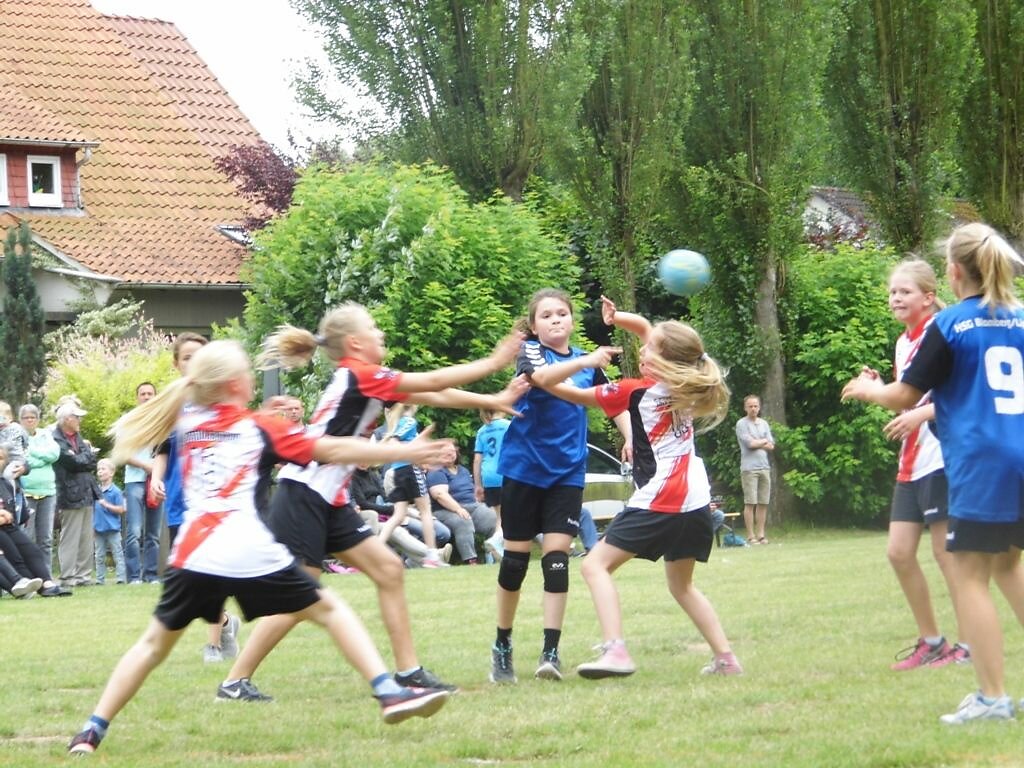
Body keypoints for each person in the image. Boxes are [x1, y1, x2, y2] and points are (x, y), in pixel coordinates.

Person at [66, 340, 454, 755]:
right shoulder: (259, 427)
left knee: (152, 646)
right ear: (236, 384)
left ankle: (91, 730)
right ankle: (388, 691)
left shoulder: (187, 419)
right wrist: (403, 450)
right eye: (249, 372)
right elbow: (334, 449)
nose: (253, 377)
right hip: (247, 550)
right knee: (330, 610)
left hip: (192, 554)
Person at [216, 302, 524, 701]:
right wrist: (493, 362)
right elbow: (433, 380)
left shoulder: (363, 378)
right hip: (303, 494)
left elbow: (434, 392)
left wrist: (492, 398)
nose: (381, 334)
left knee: (389, 569)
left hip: (328, 498)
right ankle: (234, 682)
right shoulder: (360, 375)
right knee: (302, 595)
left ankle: (409, 672)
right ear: (356, 343)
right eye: (374, 328)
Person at [841, 222, 1024, 724]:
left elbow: (903, 396)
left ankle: (992, 698)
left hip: (980, 464)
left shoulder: (951, 325)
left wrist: (865, 389)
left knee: (968, 576)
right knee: (1009, 567)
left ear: (953, 271)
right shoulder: (1022, 318)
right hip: (1021, 456)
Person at [536, 295, 741, 679]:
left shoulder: (633, 391)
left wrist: (578, 363)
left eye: (647, 348)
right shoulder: (684, 382)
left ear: (660, 359)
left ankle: (615, 650)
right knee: (682, 587)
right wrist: (621, 319)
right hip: (696, 499)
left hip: (663, 495)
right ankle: (726, 660)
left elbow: (553, 385)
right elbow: (652, 332)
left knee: (595, 566)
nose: (641, 348)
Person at [490, 288, 631, 684]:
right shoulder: (534, 353)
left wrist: (630, 436)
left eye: (562, 314)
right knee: (515, 564)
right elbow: (543, 379)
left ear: (571, 319)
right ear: (534, 325)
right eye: (546, 315)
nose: (555, 320)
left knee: (556, 560)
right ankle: (502, 644)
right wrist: (587, 359)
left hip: (567, 473)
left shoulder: (590, 363)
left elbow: (613, 400)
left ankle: (550, 652)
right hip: (523, 469)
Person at [870, 259, 968, 670]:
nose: (896, 298)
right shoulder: (902, 341)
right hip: (912, 461)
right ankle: (932, 641)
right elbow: (905, 394)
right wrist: (877, 388)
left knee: (948, 556)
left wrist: (920, 415)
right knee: (898, 552)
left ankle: (969, 645)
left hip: (941, 457)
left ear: (929, 297)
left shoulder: (941, 334)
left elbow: (962, 395)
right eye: (893, 292)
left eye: (905, 291)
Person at [150, 332, 240, 662]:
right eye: (187, 357)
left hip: (215, 503)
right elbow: (162, 450)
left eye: (200, 356)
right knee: (190, 581)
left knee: (214, 574)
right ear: (176, 364)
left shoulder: (225, 403)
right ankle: (226, 622)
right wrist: (156, 479)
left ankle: (213, 644)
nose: (194, 363)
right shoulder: (170, 406)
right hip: (179, 505)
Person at [378, 405, 444, 565]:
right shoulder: (408, 421)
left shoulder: (396, 422)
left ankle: (376, 550)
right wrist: (423, 435)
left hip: (397, 471)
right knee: (425, 511)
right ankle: (432, 556)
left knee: (398, 515)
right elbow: (395, 443)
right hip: (410, 470)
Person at [0, 446, 70, 597]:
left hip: (8, 526)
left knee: (32, 550)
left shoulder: (5, 483)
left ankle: (47, 583)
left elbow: (11, 512)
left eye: (0, 459)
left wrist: (6, 515)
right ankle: (32, 585)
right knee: (14, 555)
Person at [426, 443, 497, 564]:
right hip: (445, 510)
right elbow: (439, 495)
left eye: (452, 451)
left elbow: (471, 490)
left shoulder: (463, 470)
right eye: (445, 452)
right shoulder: (436, 471)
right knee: (463, 521)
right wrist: (458, 509)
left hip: (472, 506)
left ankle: (496, 556)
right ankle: (471, 560)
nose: (450, 454)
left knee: (494, 517)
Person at [53, 401, 99, 587]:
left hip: (86, 490)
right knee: (70, 536)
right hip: (68, 493)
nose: (80, 420)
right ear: (67, 419)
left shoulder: (77, 437)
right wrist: (85, 457)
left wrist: (83, 457)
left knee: (86, 536)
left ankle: (83, 576)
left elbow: (90, 462)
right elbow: (71, 463)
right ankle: (67, 576)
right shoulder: (55, 439)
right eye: (77, 417)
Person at [122, 382, 160, 584]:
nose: (146, 397)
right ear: (137, 397)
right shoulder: (129, 422)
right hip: (135, 480)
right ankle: (134, 576)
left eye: (150, 393)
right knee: (134, 532)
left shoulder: (162, 421)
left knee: (153, 533)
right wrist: (146, 466)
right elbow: (123, 454)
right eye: (143, 394)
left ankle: (152, 575)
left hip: (156, 480)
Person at [18, 403, 60, 568]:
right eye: (26, 417)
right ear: (20, 420)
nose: (29, 420)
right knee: (27, 537)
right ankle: (29, 575)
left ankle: (46, 576)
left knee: (46, 538)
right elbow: (23, 460)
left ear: (37, 419)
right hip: (26, 492)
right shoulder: (17, 436)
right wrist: (43, 459)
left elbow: (54, 454)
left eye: (33, 417)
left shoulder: (46, 435)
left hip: (48, 492)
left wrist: (33, 452)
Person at [735, 394, 774, 544]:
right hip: (749, 468)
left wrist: (760, 441)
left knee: (763, 502)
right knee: (750, 502)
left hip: (764, 467)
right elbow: (749, 444)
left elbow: (771, 446)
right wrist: (763, 441)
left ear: (759, 407)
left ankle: (761, 535)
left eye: (755, 406)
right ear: (745, 408)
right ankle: (751, 536)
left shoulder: (764, 423)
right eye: (750, 406)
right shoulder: (741, 424)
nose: (753, 409)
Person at [474, 408, 510, 562]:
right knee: (511, 516)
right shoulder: (509, 425)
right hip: (506, 473)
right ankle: (496, 541)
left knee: (500, 517)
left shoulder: (482, 431)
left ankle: (495, 555)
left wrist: (478, 485)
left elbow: (477, 460)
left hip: (488, 476)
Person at [93, 458, 127, 586]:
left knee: (117, 554)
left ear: (111, 473)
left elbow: (121, 509)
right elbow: (93, 510)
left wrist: (106, 505)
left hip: (113, 529)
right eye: (98, 470)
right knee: (99, 556)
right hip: (98, 528)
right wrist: (92, 526)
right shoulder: (95, 491)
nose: (100, 472)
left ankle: (121, 578)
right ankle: (99, 580)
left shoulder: (116, 491)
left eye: (103, 469)